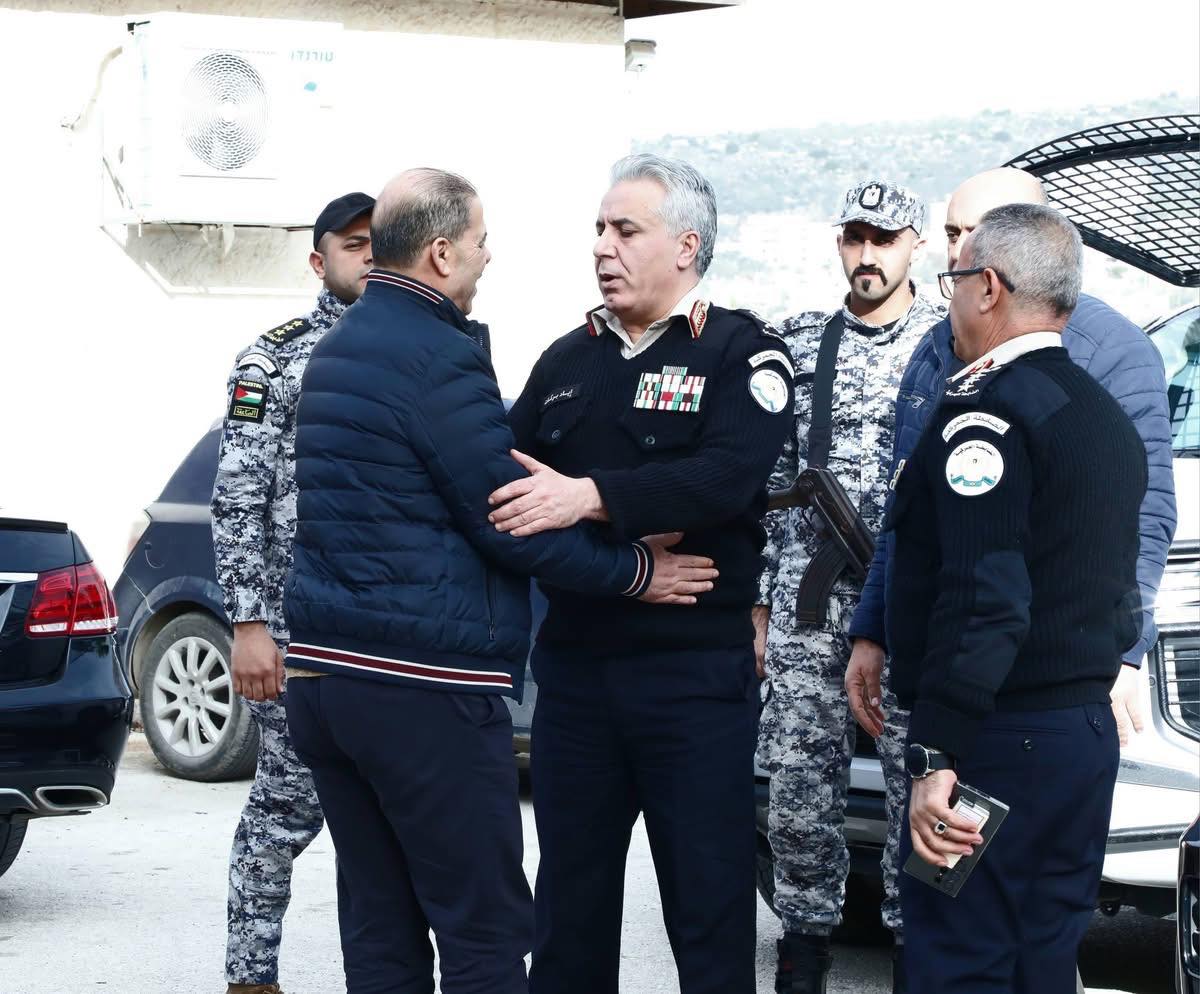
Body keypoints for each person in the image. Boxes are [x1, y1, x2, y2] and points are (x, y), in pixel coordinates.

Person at [280, 167, 717, 994]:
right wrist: (636, 571)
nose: (489, 257)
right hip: (422, 689)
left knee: (380, 931)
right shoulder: (436, 356)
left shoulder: (337, 345)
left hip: (327, 683)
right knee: (483, 935)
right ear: (442, 253)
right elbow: (510, 519)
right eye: (481, 242)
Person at [488, 153, 794, 994]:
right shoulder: (565, 362)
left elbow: (725, 479)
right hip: (577, 676)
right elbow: (512, 504)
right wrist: (626, 563)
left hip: (692, 680)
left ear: (687, 246)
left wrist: (587, 496)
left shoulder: (741, 354)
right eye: (599, 229)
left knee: (708, 906)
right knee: (569, 911)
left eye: (626, 230)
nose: (602, 247)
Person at [889, 203, 1146, 993]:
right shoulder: (1101, 415)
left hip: (997, 742)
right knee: (1044, 960)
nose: (951, 300)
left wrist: (936, 755)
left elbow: (984, 599)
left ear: (988, 287)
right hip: (1078, 736)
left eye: (955, 280)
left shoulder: (987, 417)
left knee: (956, 958)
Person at [849, 168, 1176, 766]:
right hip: (933, 666)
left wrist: (1126, 653)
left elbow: (1143, 514)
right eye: (953, 233)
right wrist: (874, 628)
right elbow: (905, 507)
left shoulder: (1113, 351)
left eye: (980, 232)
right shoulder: (936, 347)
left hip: (1031, 683)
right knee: (919, 817)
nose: (959, 253)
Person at [753, 179, 945, 993]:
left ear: (916, 245)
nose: (867, 255)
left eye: (885, 239)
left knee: (920, 783)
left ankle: (918, 951)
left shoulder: (947, 342)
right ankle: (803, 948)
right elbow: (771, 482)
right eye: (855, 238)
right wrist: (759, 601)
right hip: (811, 600)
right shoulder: (799, 343)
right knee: (798, 787)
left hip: (907, 604)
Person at [210, 190, 374, 994]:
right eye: (354, 244)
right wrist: (248, 624)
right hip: (295, 631)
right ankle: (251, 979)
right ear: (319, 261)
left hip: (385, 630)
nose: (370, 256)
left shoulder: (423, 350)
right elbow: (238, 497)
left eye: (381, 242)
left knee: (381, 829)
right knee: (284, 812)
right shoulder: (273, 362)